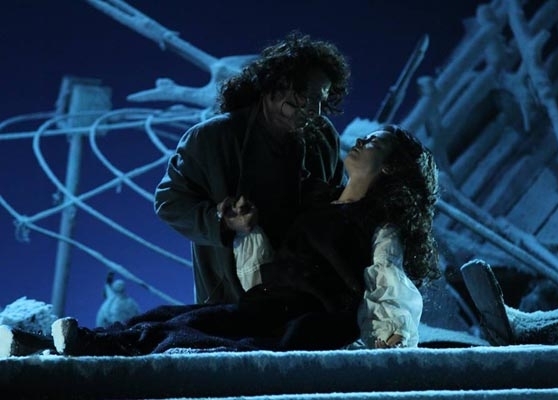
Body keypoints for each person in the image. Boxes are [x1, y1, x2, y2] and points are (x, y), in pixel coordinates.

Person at [0, 125, 441, 356]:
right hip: (269, 303)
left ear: (389, 167)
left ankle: (90, 349)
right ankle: (65, 344)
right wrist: (249, 230)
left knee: (193, 333)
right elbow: (276, 264)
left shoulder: (378, 222)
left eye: (375, 142)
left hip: (310, 317)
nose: (360, 140)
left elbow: (388, 275)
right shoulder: (319, 202)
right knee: (170, 315)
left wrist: (389, 339)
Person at [154, 31, 350, 307]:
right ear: (274, 87)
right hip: (233, 298)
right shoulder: (211, 138)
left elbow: (337, 202)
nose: (315, 111)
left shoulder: (322, 136)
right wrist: (222, 220)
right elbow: (170, 202)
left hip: (307, 293)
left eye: (322, 99)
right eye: (304, 97)